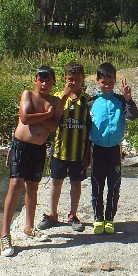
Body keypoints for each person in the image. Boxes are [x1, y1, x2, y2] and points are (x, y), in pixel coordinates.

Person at [0, 66, 62, 258]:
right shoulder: (28, 94)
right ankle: (4, 235)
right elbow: (25, 118)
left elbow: (54, 126)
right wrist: (46, 114)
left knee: (32, 188)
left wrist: (41, 117)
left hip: (38, 149)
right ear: (35, 80)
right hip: (21, 146)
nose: (44, 84)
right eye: (41, 80)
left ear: (53, 82)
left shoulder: (56, 101)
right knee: (15, 184)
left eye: (48, 80)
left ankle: (29, 227)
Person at [38, 61, 90, 233]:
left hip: (78, 152)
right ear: (64, 79)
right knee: (56, 183)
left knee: (76, 184)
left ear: (82, 79)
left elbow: (89, 128)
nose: (73, 82)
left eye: (77, 79)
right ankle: (53, 214)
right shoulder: (59, 98)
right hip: (60, 151)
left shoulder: (86, 101)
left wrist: (87, 153)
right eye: (70, 79)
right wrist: (65, 97)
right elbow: (53, 119)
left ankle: (73, 215)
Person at [88, 62, 138, 235]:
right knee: (97, 184)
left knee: (114, 184)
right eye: (104, 82)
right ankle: (97, 218)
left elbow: (133, 116)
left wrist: (128, 99)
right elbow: (85, 127)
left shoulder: (120, 100)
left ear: (115, 81)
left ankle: (109, 218)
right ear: (98, 81)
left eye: (111, 82)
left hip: (114, 150)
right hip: (98, 149)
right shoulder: (92, 102)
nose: (107, 85)